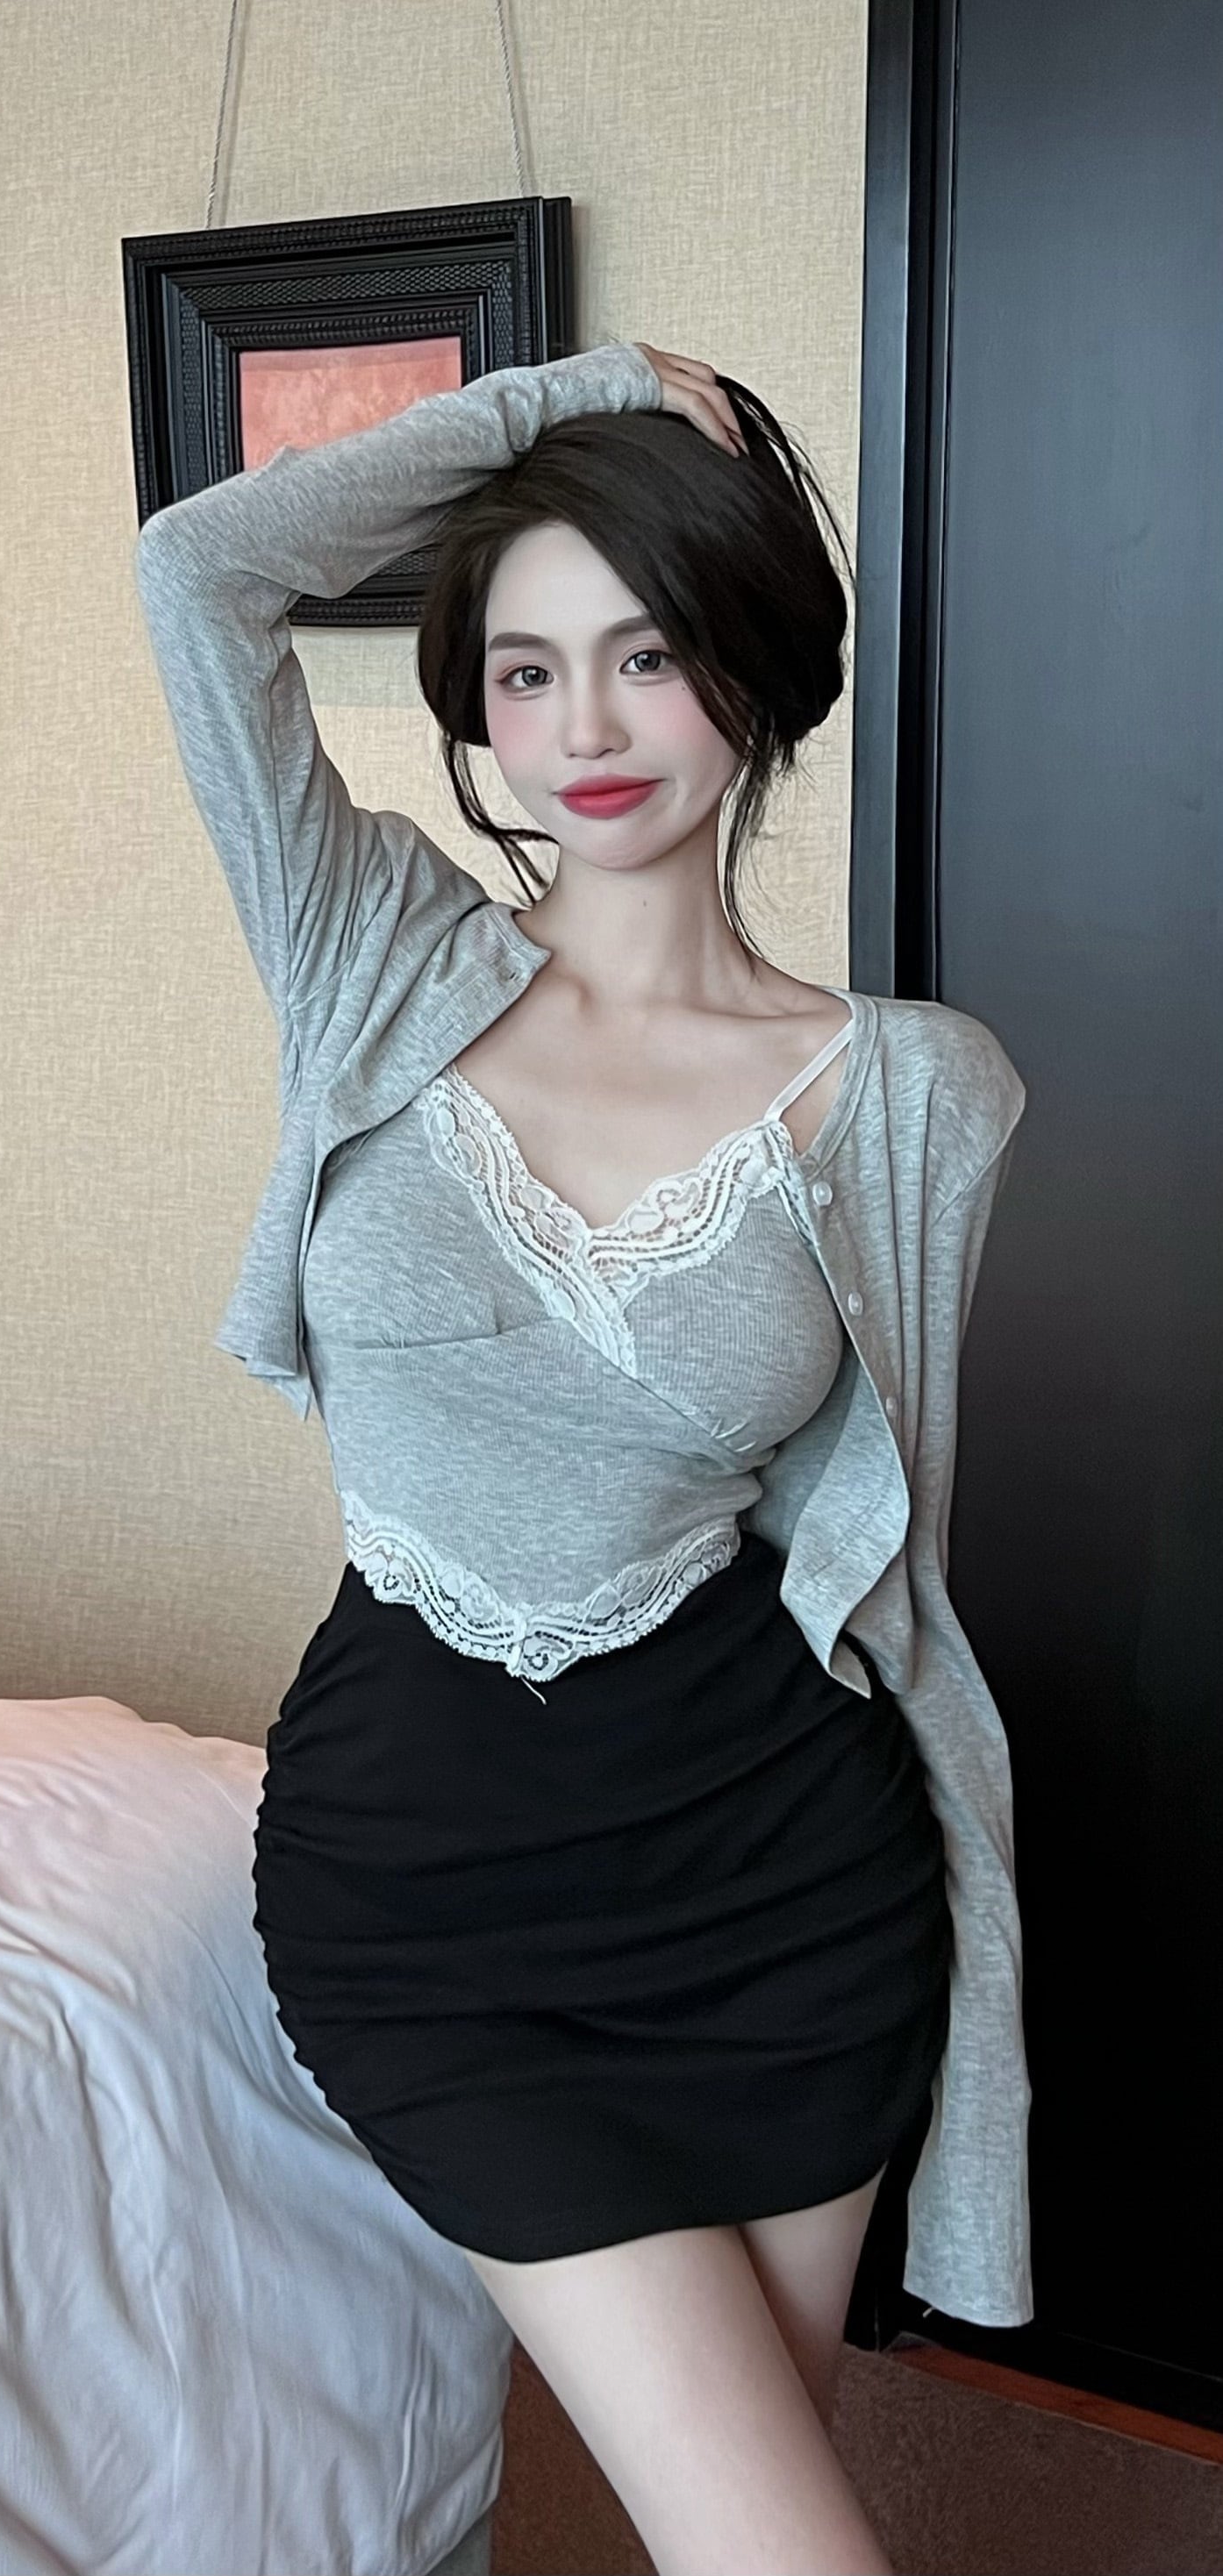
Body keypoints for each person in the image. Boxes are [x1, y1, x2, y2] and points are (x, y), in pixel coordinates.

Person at [133, 339, 1030, 2576]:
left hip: (778, 1881)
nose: (585, 728)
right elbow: (195, 572)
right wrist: (573, 398)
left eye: (643, 653)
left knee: (717, 2519)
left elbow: (878, 1536)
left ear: (749, 668)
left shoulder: (907, 1092)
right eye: (524, 672)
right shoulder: (368, 954)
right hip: (430, 1892)